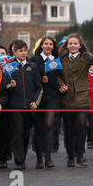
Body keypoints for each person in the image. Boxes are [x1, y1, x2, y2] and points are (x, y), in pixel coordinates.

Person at [57, 33, 93, 167]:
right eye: (70, 43)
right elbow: (55, 74)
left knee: (81, 127)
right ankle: (71, 157)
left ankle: (80, 156)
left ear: (80, 45)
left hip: (82, 98)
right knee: (69, 130)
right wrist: (60, 84)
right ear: (67, 45)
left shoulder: (85, 57)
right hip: (67, 98)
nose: (73, 45)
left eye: (75, 43)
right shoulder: (61, 58)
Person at [7, 40, 43, 170]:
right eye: (20, 51)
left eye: (24, 50)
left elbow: (39, 87)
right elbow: (3, 87)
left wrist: (35, 102)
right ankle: (19, 160)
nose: (23, 53)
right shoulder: (9, 67)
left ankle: (23, 156)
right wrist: (10, 85)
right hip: (15, 106)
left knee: (26, 133)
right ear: (14, 52)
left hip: (29, 106)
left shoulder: (32, 66)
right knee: (18, 132)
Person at [30, 36, 60, 169]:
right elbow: (31, 79)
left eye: (51, 44)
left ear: (53, 47)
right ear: (41, 46)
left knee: (49, 125)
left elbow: (59, 78)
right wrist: (42, 79)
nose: (48, 46)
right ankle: (39, 159)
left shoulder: (56, 61)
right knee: (38, 127)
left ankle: (48, 158)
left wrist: (61, 86)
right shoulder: (34, 60)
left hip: (52, 96)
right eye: (46, 44)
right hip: (38, 97)